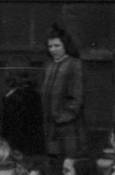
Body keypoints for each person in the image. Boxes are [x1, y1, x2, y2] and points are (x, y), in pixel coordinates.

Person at [41, 26, 84, 156]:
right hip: (49, 125)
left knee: (67, 158)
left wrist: (62, 117)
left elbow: (77, 97)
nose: (53, 49)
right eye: (50, 46)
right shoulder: (48, 66)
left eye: (57, 45)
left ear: (65, 45)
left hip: (67, 125)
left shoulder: (74, 64)